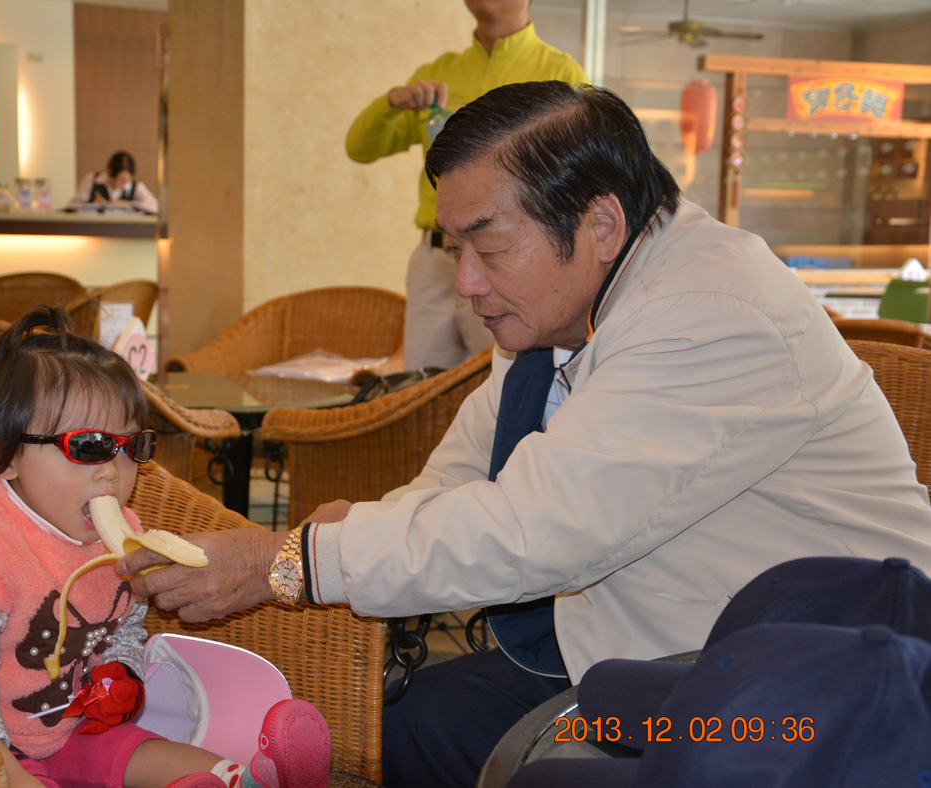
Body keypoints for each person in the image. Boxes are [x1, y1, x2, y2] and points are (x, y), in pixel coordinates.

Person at [120, 82, 931, 787]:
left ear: (600, 223)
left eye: (490, 246)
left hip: (803, 693)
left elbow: (537, 529)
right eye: (454, 249)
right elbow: (460, 481)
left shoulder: (710, 314)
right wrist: (339, 538)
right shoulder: (564, 306)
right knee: (397, 728)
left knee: (519, 766)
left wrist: (290, 563)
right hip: (632, 649)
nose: (466, 282)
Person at [0, 306, 331, 788]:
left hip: (63, 729)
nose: (113, 471)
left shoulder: (122, 539)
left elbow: (123, 624)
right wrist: (6, 771)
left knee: (133, 747)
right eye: (89, 446)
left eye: (131, 447)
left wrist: (121, 673)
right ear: (3, 455)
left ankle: (241, 777)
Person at [345, 0, 586, 371]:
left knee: (504, 381)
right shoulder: (439, 73)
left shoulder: (560, 73)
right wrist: (393, 103)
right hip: (435, 259)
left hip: (509, 259)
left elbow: (578, 178)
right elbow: (359, 148)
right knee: (423, 389)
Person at [67, 150, 158, 213]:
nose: (119, 184)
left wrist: (128, 204)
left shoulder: (136, 187)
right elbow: (72, 206)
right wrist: (92, 205)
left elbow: (155, 207)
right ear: (109, 172)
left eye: (124, 181)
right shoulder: (92, 179)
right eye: (116, 180)